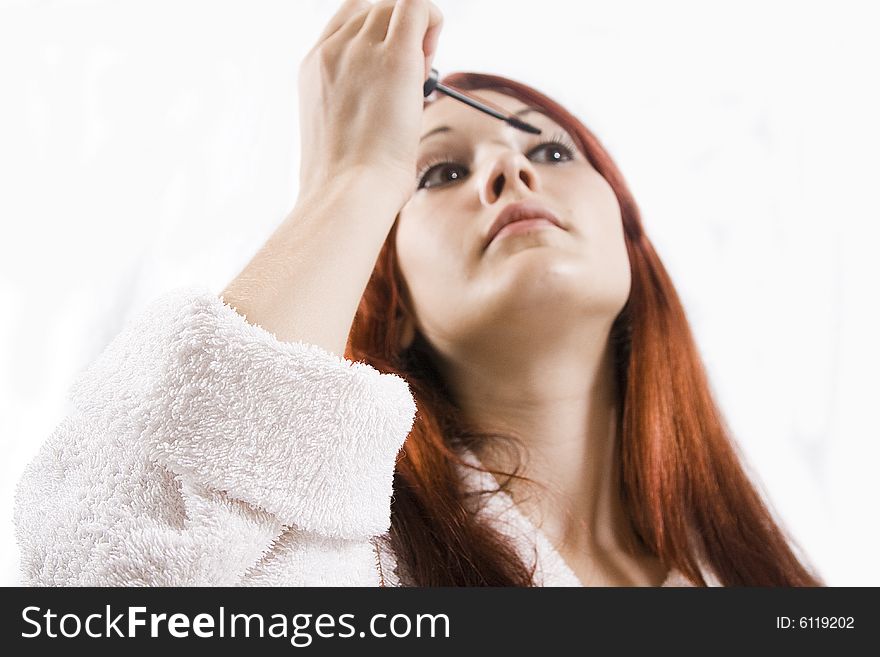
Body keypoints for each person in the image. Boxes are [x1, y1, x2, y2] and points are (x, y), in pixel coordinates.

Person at [13, 0, 823, 587]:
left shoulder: (769, 584)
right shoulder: (355, 571)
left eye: (552, 149)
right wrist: (349, 180)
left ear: (630, 244)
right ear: (391, 302)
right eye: (440, 170)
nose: (511, 169)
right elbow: (111, 593)